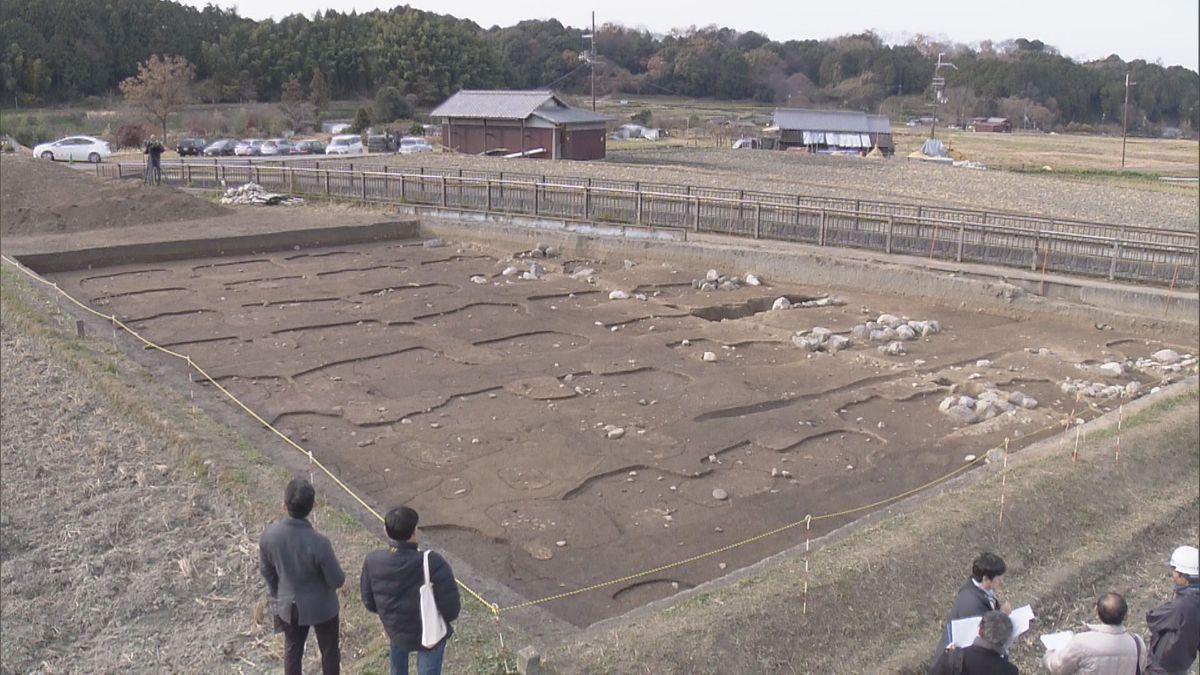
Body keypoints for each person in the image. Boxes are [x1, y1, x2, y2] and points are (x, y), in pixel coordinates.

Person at [259, 478, 346, 675]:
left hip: (289, 605)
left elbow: (267, 571)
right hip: (323, 607)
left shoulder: (269, 536)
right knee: (330, 652)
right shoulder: (320, 543)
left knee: (292, 651)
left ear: (284, 506)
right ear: (313, 506)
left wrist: (279, 592)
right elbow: (337, 580)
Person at [361, 506, 461, 675]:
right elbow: (451, 607)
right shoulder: (432, 562)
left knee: (398, 666)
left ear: (386, 531)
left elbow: (369, 602)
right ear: (415, 531)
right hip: (429, 632)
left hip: (395, 628)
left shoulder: (373, 560)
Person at [1043, 592, 1146, 675]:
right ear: (1126, 615)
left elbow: (1057, 668)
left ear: (1096, 612)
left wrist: (1049, 654)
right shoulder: (1137, 643)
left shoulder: (1082, 642)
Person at [938, 553, 1014, 652]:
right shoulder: (972, 605)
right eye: (999, 578)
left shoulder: (979, 589)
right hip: (957, 660)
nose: (1002, 581)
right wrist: (1002, 616)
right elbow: (986, 636)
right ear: (985, 579)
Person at [1145, 545, 1200, 675]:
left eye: (1174, 570)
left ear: (1182, 575)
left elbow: (1153, 619)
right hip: (1183, 662)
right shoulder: (1194, 598)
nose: (1173, 574)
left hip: (1164, 665)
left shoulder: (1182, 605)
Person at [930, 610, 1019, 675]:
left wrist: (946, 652)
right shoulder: (1009, 671)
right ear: (1005, 640)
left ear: (979, 629)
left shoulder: (953, 656)